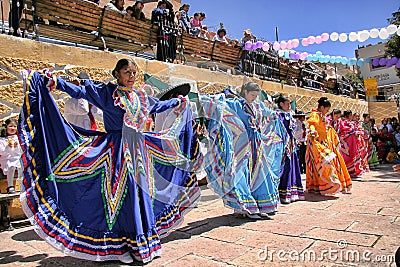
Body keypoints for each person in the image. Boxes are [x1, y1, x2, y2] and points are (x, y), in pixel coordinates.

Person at [18, 58, 200, 263]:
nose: (131, 76)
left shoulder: (141, 96)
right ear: (117, 74)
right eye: (126, 72)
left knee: (140, 194)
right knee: (122, 196)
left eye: (133, 72)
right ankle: (122, 245)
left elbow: (159, 105)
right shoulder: (108, 93)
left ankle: (141, 242)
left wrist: (178, 102)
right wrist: (55, 82)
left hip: (139, 151)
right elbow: (81, 91)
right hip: (117, 151)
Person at [200, 82, 284, 219]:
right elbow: (221, 106)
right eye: (252, 95)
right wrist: (209, 98)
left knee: (259, 173)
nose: (254, 98)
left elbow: (268, 112)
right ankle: (245, 206)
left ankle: (259, 205)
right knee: (241, 173)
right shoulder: (237, 104)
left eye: (256, 95)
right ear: (245, 92)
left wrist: (274, 115)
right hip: (242, 145)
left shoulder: (257, 105)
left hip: (256, 144)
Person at [306, 97, 351, 195]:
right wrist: (313, 131)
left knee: (323, 164)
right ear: (322, 107)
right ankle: (328, 184)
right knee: (325, 162)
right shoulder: (315, 114)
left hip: (324, 142)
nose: (327, 112)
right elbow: (312, 124)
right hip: (317, 143)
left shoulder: (322, 115)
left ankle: (322, 186)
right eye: (326, 110)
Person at [275, 96, 305, 204]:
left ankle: (292, 192)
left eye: (289, 103)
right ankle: (283, 192)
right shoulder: (278, 115)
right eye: (287, 103)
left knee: (292, 167)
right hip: (283, 145)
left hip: (291, 145)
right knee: (285, 167)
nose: (289, 105)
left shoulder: (289, 115)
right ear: (281, 104)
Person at [0, 119, 22, 193]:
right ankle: (10, 186)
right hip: (7, 158)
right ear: (6, 127)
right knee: (11, 166)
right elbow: (2, 152)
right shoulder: (3, 139)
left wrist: (16, 146)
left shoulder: (18, 138)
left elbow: (20, 151)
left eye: (14, 126)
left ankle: (23, 184)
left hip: (17, 158)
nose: (13, 128)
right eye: (10, 126)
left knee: (22, 166)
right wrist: (8, 146)